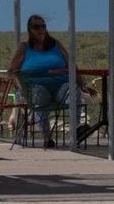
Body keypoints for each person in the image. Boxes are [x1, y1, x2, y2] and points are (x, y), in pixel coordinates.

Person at [7, 14, 72, 148]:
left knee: (74, 91)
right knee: (38, 94)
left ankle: (77, 130)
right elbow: (12, 71)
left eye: (43, 26)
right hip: (35, 87)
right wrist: (22, 88)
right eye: (37, 27)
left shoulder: (56, 44)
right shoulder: (24, 47)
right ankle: (46, 137)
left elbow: (70, 64)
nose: (41, 29)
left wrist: (80, 83)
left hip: (60, 86)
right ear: (30, 30)